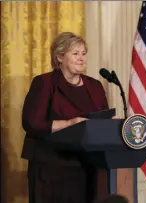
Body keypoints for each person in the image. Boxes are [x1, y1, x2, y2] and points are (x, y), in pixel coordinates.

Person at [22, 32, 111, 203]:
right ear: (60, 57)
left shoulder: (95, 86)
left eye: (84, 54)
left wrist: (110, 124)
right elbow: (32, 122)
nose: (81, 59)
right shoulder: (45, 83)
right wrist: (70, 123)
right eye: (75, 54)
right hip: (52, 166)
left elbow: (101, 118)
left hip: (88, 166)